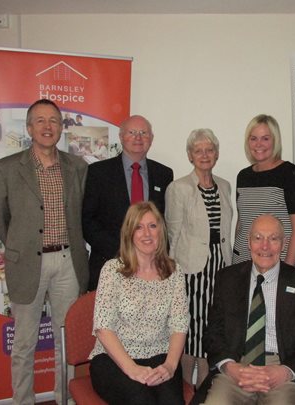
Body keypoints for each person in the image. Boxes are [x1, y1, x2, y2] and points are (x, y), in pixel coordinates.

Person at [0, 99, 89, 404]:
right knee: (24, 343)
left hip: (67, 262)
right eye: (41, 121)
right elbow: (0, 218)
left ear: (62, 128)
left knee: (66, 341)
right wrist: (23, 246)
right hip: (27, 264)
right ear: (29, 127)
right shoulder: (6, 168)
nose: (48, 127)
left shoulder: (78, 167)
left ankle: (64, 399)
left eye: (54, 121)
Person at [200, 214, 295, 405]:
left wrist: (286, 371)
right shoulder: (227, 279)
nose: (265, 246)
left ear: (283, 243)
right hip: (237, 367)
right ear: (248, 242)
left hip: (282, 370)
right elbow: (213, 334)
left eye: (273, 238)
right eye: (258, 238)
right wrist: (229, 367)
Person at [89, 201, 189, 405]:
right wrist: (132, 369)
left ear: (161, 230)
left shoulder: (174, 271)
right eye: (139, 227)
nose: (147, 234)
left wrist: (170, 366)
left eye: (153, 226)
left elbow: (179, 324)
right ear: (129, 233)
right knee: (142, 399)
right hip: (114, 358)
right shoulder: (112, 270)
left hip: (160, 356)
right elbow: (103, 327)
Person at [165, 128, 233, 388]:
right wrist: (173, 275)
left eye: (210, 150)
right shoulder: (179, 188)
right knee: (191, 325)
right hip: (191, 269)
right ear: (190, 156)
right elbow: (173, 233)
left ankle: (205, 387)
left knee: (212, 324)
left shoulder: (225, 186)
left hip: (220, 265)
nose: (205, 155)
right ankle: (184, 385)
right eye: (198, 150)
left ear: (216, 154)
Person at [83, 115, 173, 290]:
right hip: (109, 263)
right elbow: (87, 221)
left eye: (143, 133)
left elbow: (164, 221)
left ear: (151, 139)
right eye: (132, 132)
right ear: (121, 136)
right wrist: (122, 252)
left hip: (151, 267)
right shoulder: (98, 172)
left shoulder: (164, 174)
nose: (138, 138)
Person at [233, 114, 295, 269]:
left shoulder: (290, 174)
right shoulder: (243, 176)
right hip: (244, 264)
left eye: (265, 138)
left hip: (278, 263)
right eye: (253, 138)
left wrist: (287, 270)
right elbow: (242, 223)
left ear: (275, 141)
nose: (258, 144)